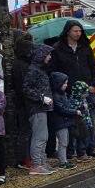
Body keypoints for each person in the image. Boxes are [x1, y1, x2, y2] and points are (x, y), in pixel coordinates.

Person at [51, 20, 95, 157]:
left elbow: (93, 66)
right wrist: (60, 87)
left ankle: (91, 147)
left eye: (80, 31)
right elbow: (54, 70)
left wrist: (94, 83)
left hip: (86, 89)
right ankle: (72, 149)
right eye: (75, 31)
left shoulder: (85, 47)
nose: (78, 33)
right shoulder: (58, 49)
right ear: (68, 32)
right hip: (68, 90)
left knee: (89, 119)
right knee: (72, 121)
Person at [23, 44, 56, 176]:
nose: (50, 57)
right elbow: (26, 89)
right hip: (36, 108)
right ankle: (37, 164)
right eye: (48, 54)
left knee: (43, 136)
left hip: (41, 108)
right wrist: (41, 98)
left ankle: (41, 162)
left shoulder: (39, 69)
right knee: (39, 137)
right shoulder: (33, 70)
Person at [7, 33, 36, 170]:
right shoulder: (21, 65)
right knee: (25, 131)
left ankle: (26, 157)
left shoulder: (22, 63)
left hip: (24, 102)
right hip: (24, 103)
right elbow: (22, 86)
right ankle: (24, 159)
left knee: (27, 131)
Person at [49, 72, 81, 170]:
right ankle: (63, 162)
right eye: (64, 83)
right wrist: (74, 111)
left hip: (63, 122)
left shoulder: (62, 94)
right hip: (60, 123)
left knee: (65, 142)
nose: (66, 85)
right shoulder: (56, 96)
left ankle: (64, 160)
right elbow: (62, 109)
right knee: (63, 142)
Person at [67, 80, 95, 162]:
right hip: (78, 123)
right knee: (79, 139)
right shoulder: (74, 100)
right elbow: (74, 110)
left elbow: (86, 107)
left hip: (85, 121)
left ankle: (82, 153)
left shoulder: (83, 99)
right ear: (79, 93)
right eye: (84, 93)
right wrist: (82, 108)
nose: (86, 94)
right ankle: (80, 154)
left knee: (84, 137)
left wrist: (92, 105)